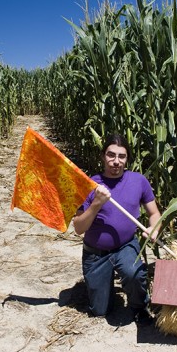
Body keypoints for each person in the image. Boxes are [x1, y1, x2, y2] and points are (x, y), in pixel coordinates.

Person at [72, 134, 161, 324]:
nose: (116, 161)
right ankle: (103, 284)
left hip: (125, 246)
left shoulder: (138, 181)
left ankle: (139, 306)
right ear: (103, 156)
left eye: (121, 156)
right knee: (100, 311)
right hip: (95, 253)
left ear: (127, 159)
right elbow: (79, 228)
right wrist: (96, 203)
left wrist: (154, 228)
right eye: (111, 155)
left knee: (133, 272)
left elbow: (154, 213)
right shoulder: (91, 185)